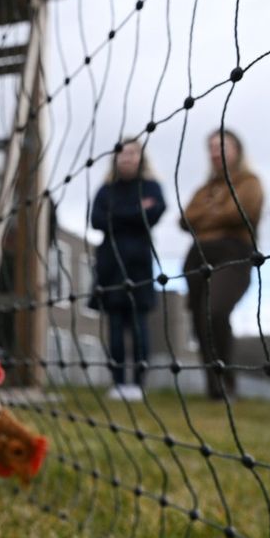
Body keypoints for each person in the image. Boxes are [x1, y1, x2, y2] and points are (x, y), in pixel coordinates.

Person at [180, 130, 264, 399]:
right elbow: (184, 219)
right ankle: (214, 387)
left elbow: (241, 212)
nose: (216, 152)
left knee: (214, 311)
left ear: (237, 149)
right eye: (212, 147)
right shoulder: (204, 189)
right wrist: (217, 211)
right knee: (199, 320)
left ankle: (227, 382)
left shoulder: (249, 182)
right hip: (197, 257)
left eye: (222, 146)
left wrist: (207, 215)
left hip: (234, 253)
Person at [89, 138, 166, 401]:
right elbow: (96, 220)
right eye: (122, 153)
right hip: (110, 266)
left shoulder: (151, 186)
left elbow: (155, 213)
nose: (126, 157)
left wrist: (116, 215)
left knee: (139, 326)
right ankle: (119, 382)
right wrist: (136, 211)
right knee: (114, 328)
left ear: (141, 157)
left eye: (132, 153)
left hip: (139, 266)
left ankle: (138, 383)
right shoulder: (105, 190)